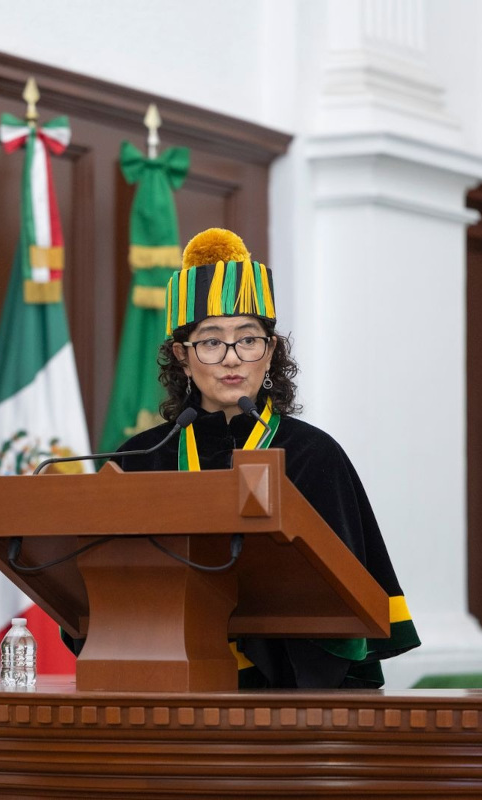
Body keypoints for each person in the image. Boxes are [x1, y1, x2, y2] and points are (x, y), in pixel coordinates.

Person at [112, 227, 420, 689]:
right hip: (165, 686)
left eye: (248, 340)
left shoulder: (313, 455)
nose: (232, 359)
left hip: (291, 696)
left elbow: (344, 600)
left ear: (270, 351)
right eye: (212, 341)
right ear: (182, 356)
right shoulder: (139, 457)